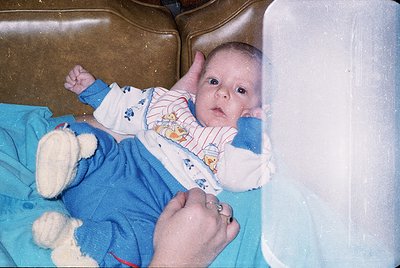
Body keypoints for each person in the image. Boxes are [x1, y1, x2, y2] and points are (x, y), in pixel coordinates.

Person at [32, 42, 273, 266]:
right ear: (198, 87)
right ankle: (62, 164)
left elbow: (237, 177)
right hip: (122, 163)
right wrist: (94, 91)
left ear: (259, 108)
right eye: (213, 81)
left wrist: (252, 130)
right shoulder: (172, 103)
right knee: (92, 141)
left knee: (142, 241)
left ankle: (73, 237)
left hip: (154, 202)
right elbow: (128, 108)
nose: (222, 92)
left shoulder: (237, 143)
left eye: (240, 89)